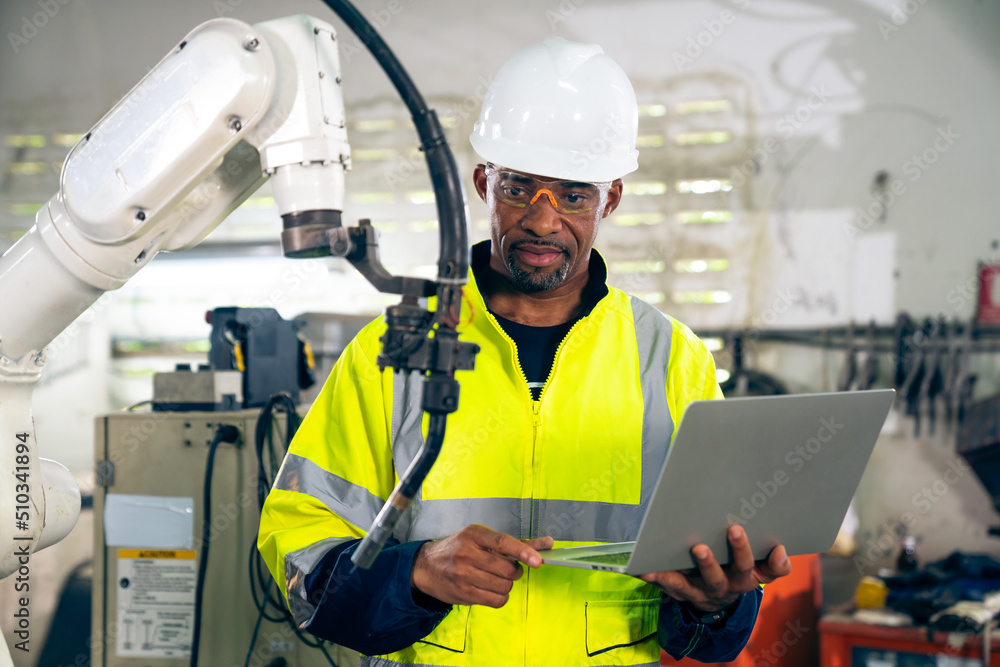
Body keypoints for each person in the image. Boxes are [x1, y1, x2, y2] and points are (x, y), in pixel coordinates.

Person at [258, 36, 791, 666]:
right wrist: (417, 573)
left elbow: (710, 614)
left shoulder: (673, 360)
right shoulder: (394, 350)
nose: (542, 222)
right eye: (520, 189)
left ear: (609, 200)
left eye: (572, 195)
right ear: (485, 183)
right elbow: (299, 550)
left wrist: (720, 603)